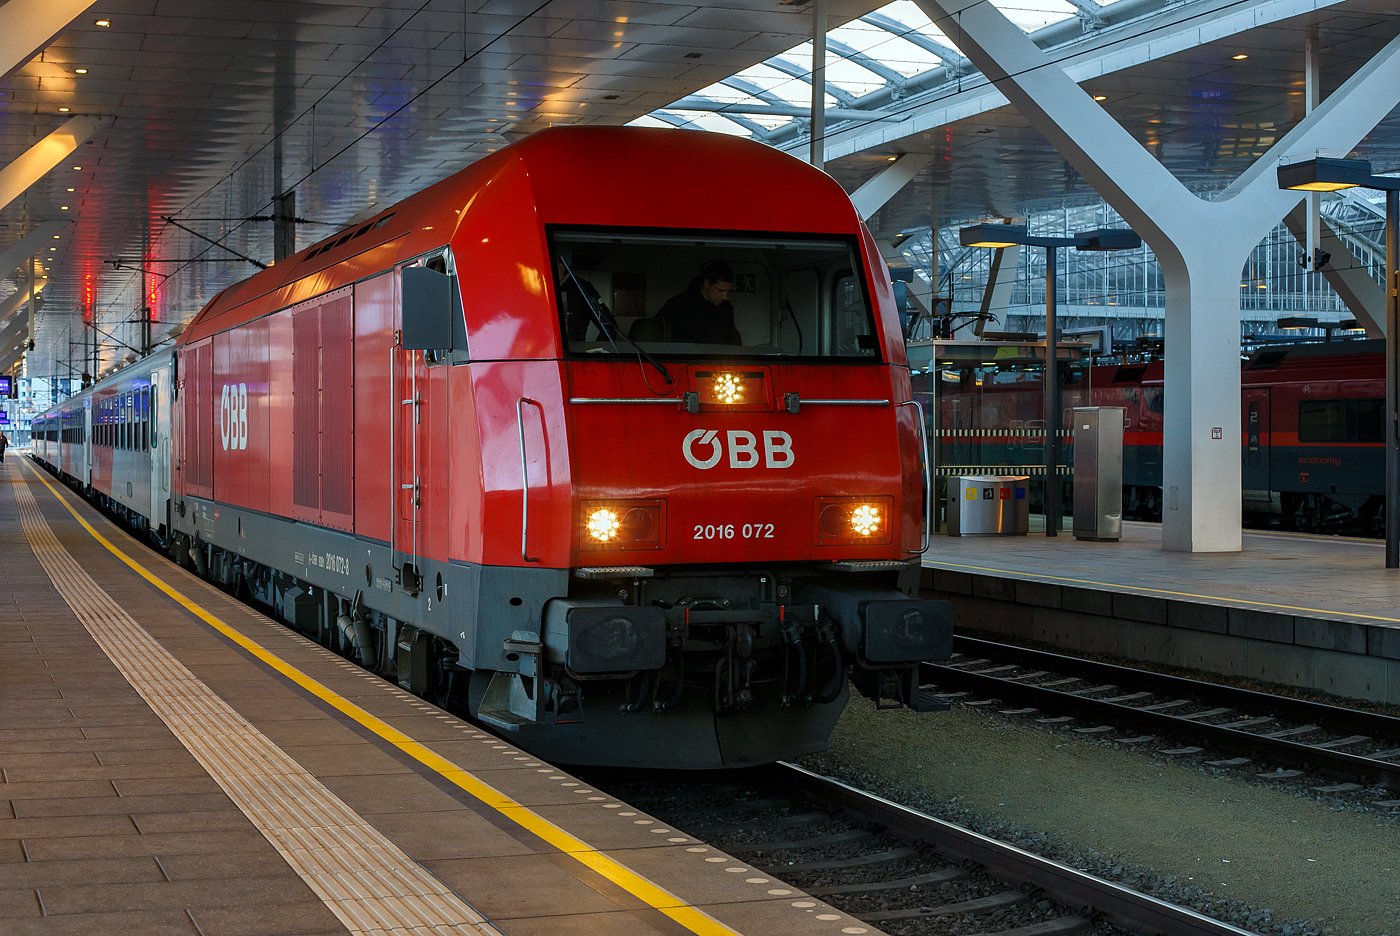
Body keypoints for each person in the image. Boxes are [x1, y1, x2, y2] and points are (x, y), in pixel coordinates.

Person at [657, 260, 742, 345]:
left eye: (727, 291)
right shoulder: (678, 305)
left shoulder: (725, 308)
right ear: (707, 283)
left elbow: (733, 340)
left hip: (719, 357)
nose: (725, 297)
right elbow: (656, 334)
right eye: (720, 290)